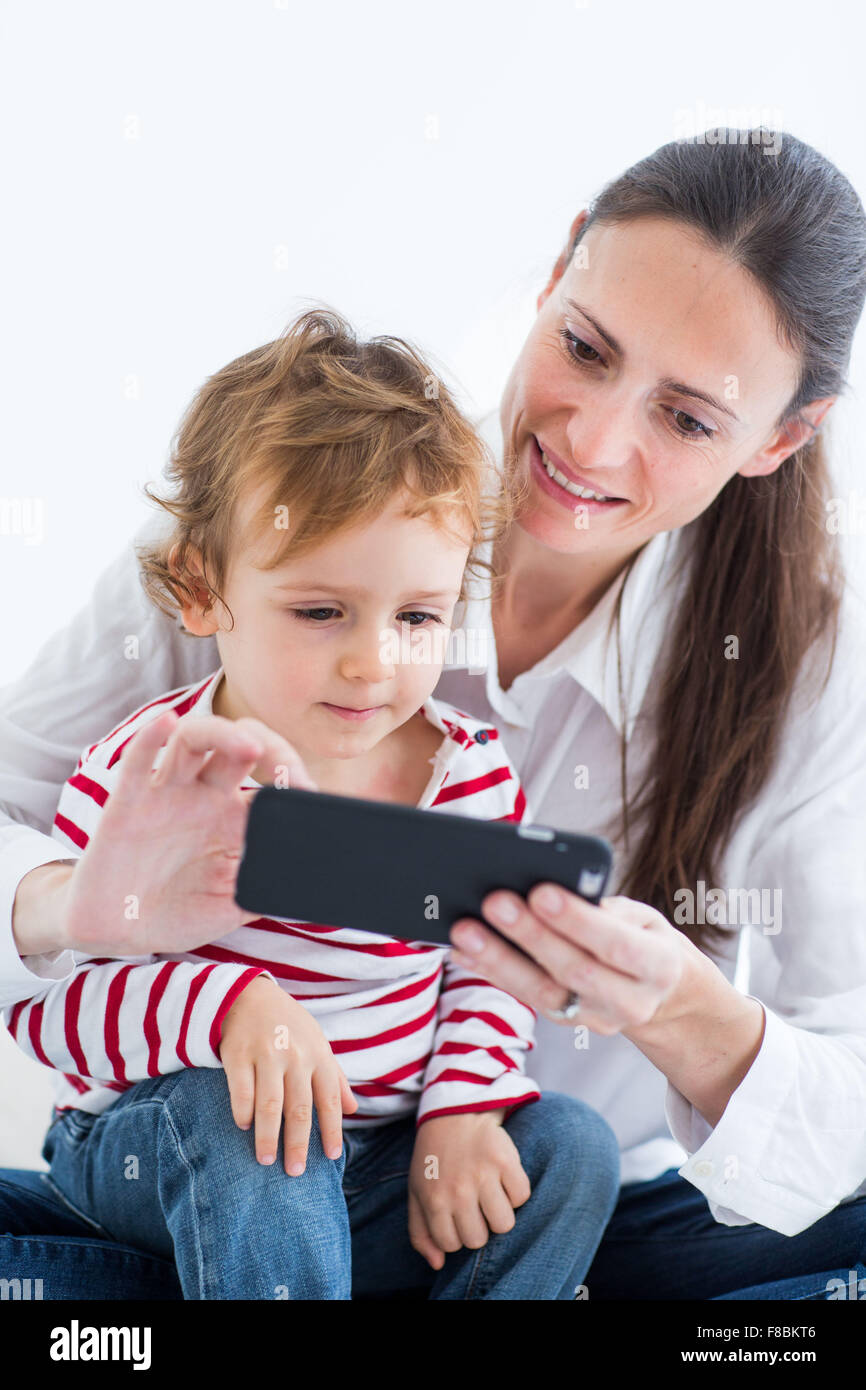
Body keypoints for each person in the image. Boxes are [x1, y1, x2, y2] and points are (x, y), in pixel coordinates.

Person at [2, 128, 866, 1301]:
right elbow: (31, 856)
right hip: (213, 1159)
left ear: (781, 436)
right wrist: (73, 904)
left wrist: (678, 1012)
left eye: (687, 418)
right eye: (584, 347)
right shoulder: (281, 500)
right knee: (230, 1166)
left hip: (508, 1198)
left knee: (592, 1156)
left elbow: (837, 1105)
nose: (591, 444)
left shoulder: (799, 666)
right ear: (558, 269)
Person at [1, 309, 618, 1300]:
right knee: (247, 1129)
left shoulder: (467, 779)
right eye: (320, 610)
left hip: (372, 1172)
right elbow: (58, 1015)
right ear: (201, 590)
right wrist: (231, 1007)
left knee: (571, 1148)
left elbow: (486, 971)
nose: (373, 660)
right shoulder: (153, 774)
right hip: (161, 1152)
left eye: (415, 616)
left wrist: (461, 1111)